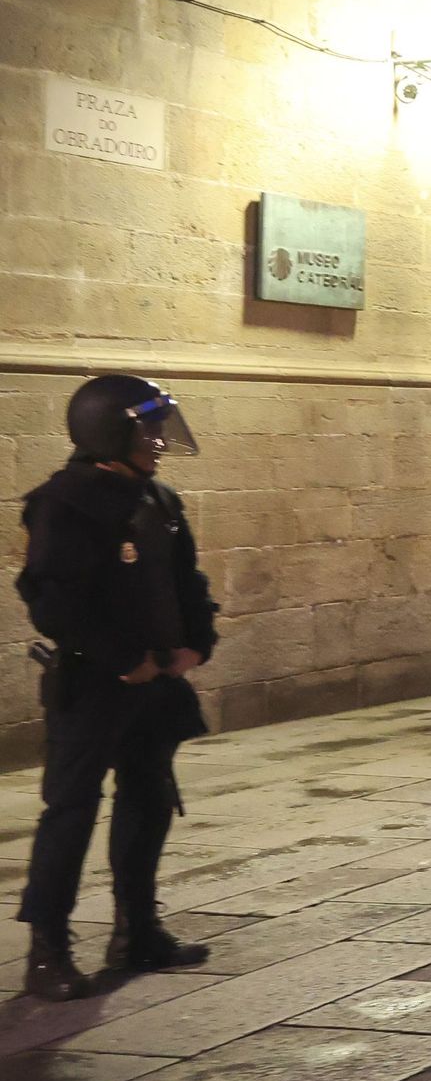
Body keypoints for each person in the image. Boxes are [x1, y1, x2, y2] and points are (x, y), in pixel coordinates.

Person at [18, 376, 218, 1001]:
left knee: (150, 798)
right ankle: (48, 951)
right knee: (71, 811)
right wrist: (122, 658)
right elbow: (51, 601)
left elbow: (186, 581)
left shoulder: (158, 498)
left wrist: (196, 642)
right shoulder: (64, 502)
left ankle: (138, 932)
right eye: (148, 428)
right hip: (94, 685)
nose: (158, 440)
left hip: (156, 682)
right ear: (113, 431)